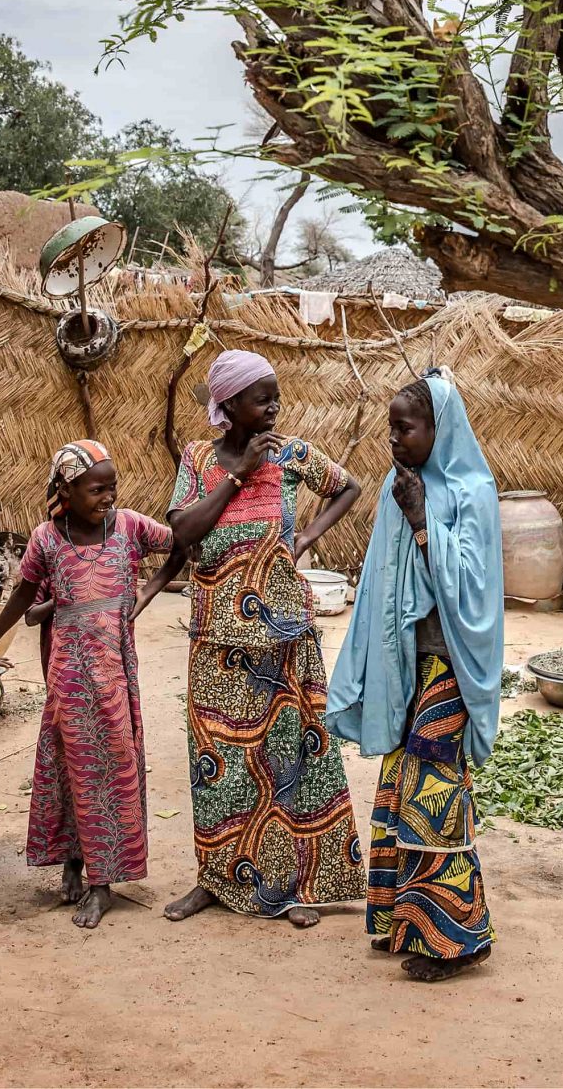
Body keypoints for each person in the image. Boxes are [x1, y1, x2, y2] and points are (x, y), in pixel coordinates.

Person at [151, 350, 366, 927]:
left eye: (275, 394)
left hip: (284, 637)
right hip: (216, 637)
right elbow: (183, 529)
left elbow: (349, 487)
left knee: (284, 762)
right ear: (228, 405)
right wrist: (239, 473)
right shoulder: (199, 459)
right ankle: (214, 880)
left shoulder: (293, 454)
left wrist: (309, 535)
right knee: (218, 761)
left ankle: (284, 887)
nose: (274, 405)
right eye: (261, 396)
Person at [328, 370, 503, 981]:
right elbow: (380, 578)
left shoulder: (472, 492)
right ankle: (403, 921)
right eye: (391, 428)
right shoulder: (394, 485)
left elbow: (475, 593)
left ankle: (456, 938)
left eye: (406, 428)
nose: (394, 440)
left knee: (434, 791)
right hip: (407, 664)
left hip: (449, 664)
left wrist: (426, 520)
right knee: (402, 787)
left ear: (439, 428)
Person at [0, 440, 172, 928]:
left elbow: (181, 541)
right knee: (74, 770)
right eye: (96, 489)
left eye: (111, 488)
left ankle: (102, 882)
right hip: (70, 678)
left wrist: (145, 593)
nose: (107, 498)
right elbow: (23, 596)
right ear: (66, 488)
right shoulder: (46, 538)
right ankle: (74, 864)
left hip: (117, 674)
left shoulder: (129, 526)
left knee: (112, 770)